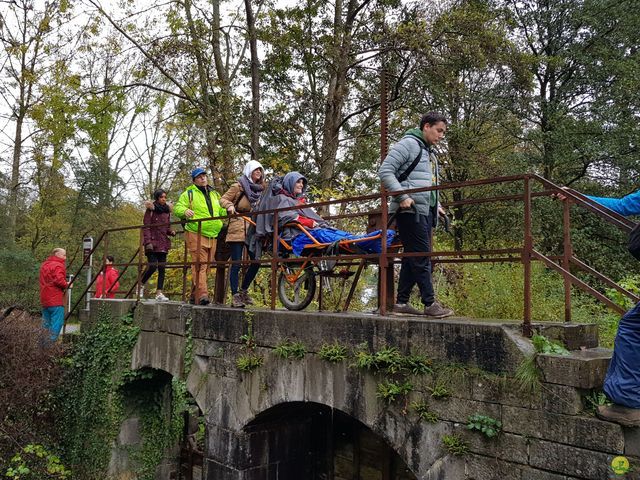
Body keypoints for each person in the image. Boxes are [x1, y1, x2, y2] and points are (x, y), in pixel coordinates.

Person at [378, 112, 454, 318]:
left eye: (443, 132)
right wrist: (401, 196)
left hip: (423, 210)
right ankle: (430, 304)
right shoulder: (409, 144)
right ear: (426, 126)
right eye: (439, 131)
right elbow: (385, 171)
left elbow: (425, 183)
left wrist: (435, 204)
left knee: (413, 255)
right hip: (409, 211)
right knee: (422, 256)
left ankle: (401, 303)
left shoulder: (429, 152)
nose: (441, 136)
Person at [174, 167, 227, 305]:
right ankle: (203, 294)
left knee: (207, 266)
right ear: (194, 180)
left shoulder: (214, 194)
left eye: (204, 176)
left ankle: (193, 295)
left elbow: (220, 210)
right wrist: (185, 211)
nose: (203, 178)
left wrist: (228, 210)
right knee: (200, 265)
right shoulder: (189, 193)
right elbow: (178, 207)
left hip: (213, 234)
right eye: (199, 177)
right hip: (195, 232)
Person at [220, 160, 265, 308]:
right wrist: (230, 206)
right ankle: (235, 295)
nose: (258, 172)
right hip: (238, 224)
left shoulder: (260, 189)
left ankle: (244, 290)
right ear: (249, 170)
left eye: (260, 170)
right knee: (236, 262)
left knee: (256, 261)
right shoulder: (238, 186)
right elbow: (223, 199)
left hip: (253, 227)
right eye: (256, 170)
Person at [140, 189, 175, 301]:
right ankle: (140, 284)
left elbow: (167, 227)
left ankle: (159, 293)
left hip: (163, 242)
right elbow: (146, 226)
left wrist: (171, 232)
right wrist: (148, 242)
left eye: (165, 197)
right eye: (161, 197)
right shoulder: (150, 210)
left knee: (162, 267)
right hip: (152, 242)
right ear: (157, 198)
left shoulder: (167, 211)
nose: (164, 199)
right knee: (153, 265)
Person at [39, 248, 70, 341]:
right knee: (56, 325)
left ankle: (40, 349)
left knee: (45, 325)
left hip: (45, 299)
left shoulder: (44, 265)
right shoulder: (58, 265)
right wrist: (67, 284)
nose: (65, 257)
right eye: (64, 255)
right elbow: (59, 280)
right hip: (56, 300)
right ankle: (49, 349)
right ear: (57, 254)